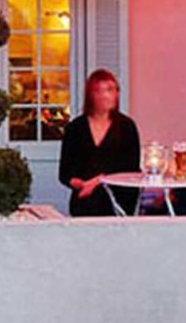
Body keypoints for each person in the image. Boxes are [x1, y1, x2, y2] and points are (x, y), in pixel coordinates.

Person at [57, 69, 141, 216]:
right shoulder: (75, 128)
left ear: (117, 94)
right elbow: (65, 172)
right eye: (98, 91)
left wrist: (98, 181)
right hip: (85, 200)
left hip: (118, 200)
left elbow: (130, 167)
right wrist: (78, 183)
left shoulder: (127, 127)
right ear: (90, 95)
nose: (105, 96)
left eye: (109, 90)